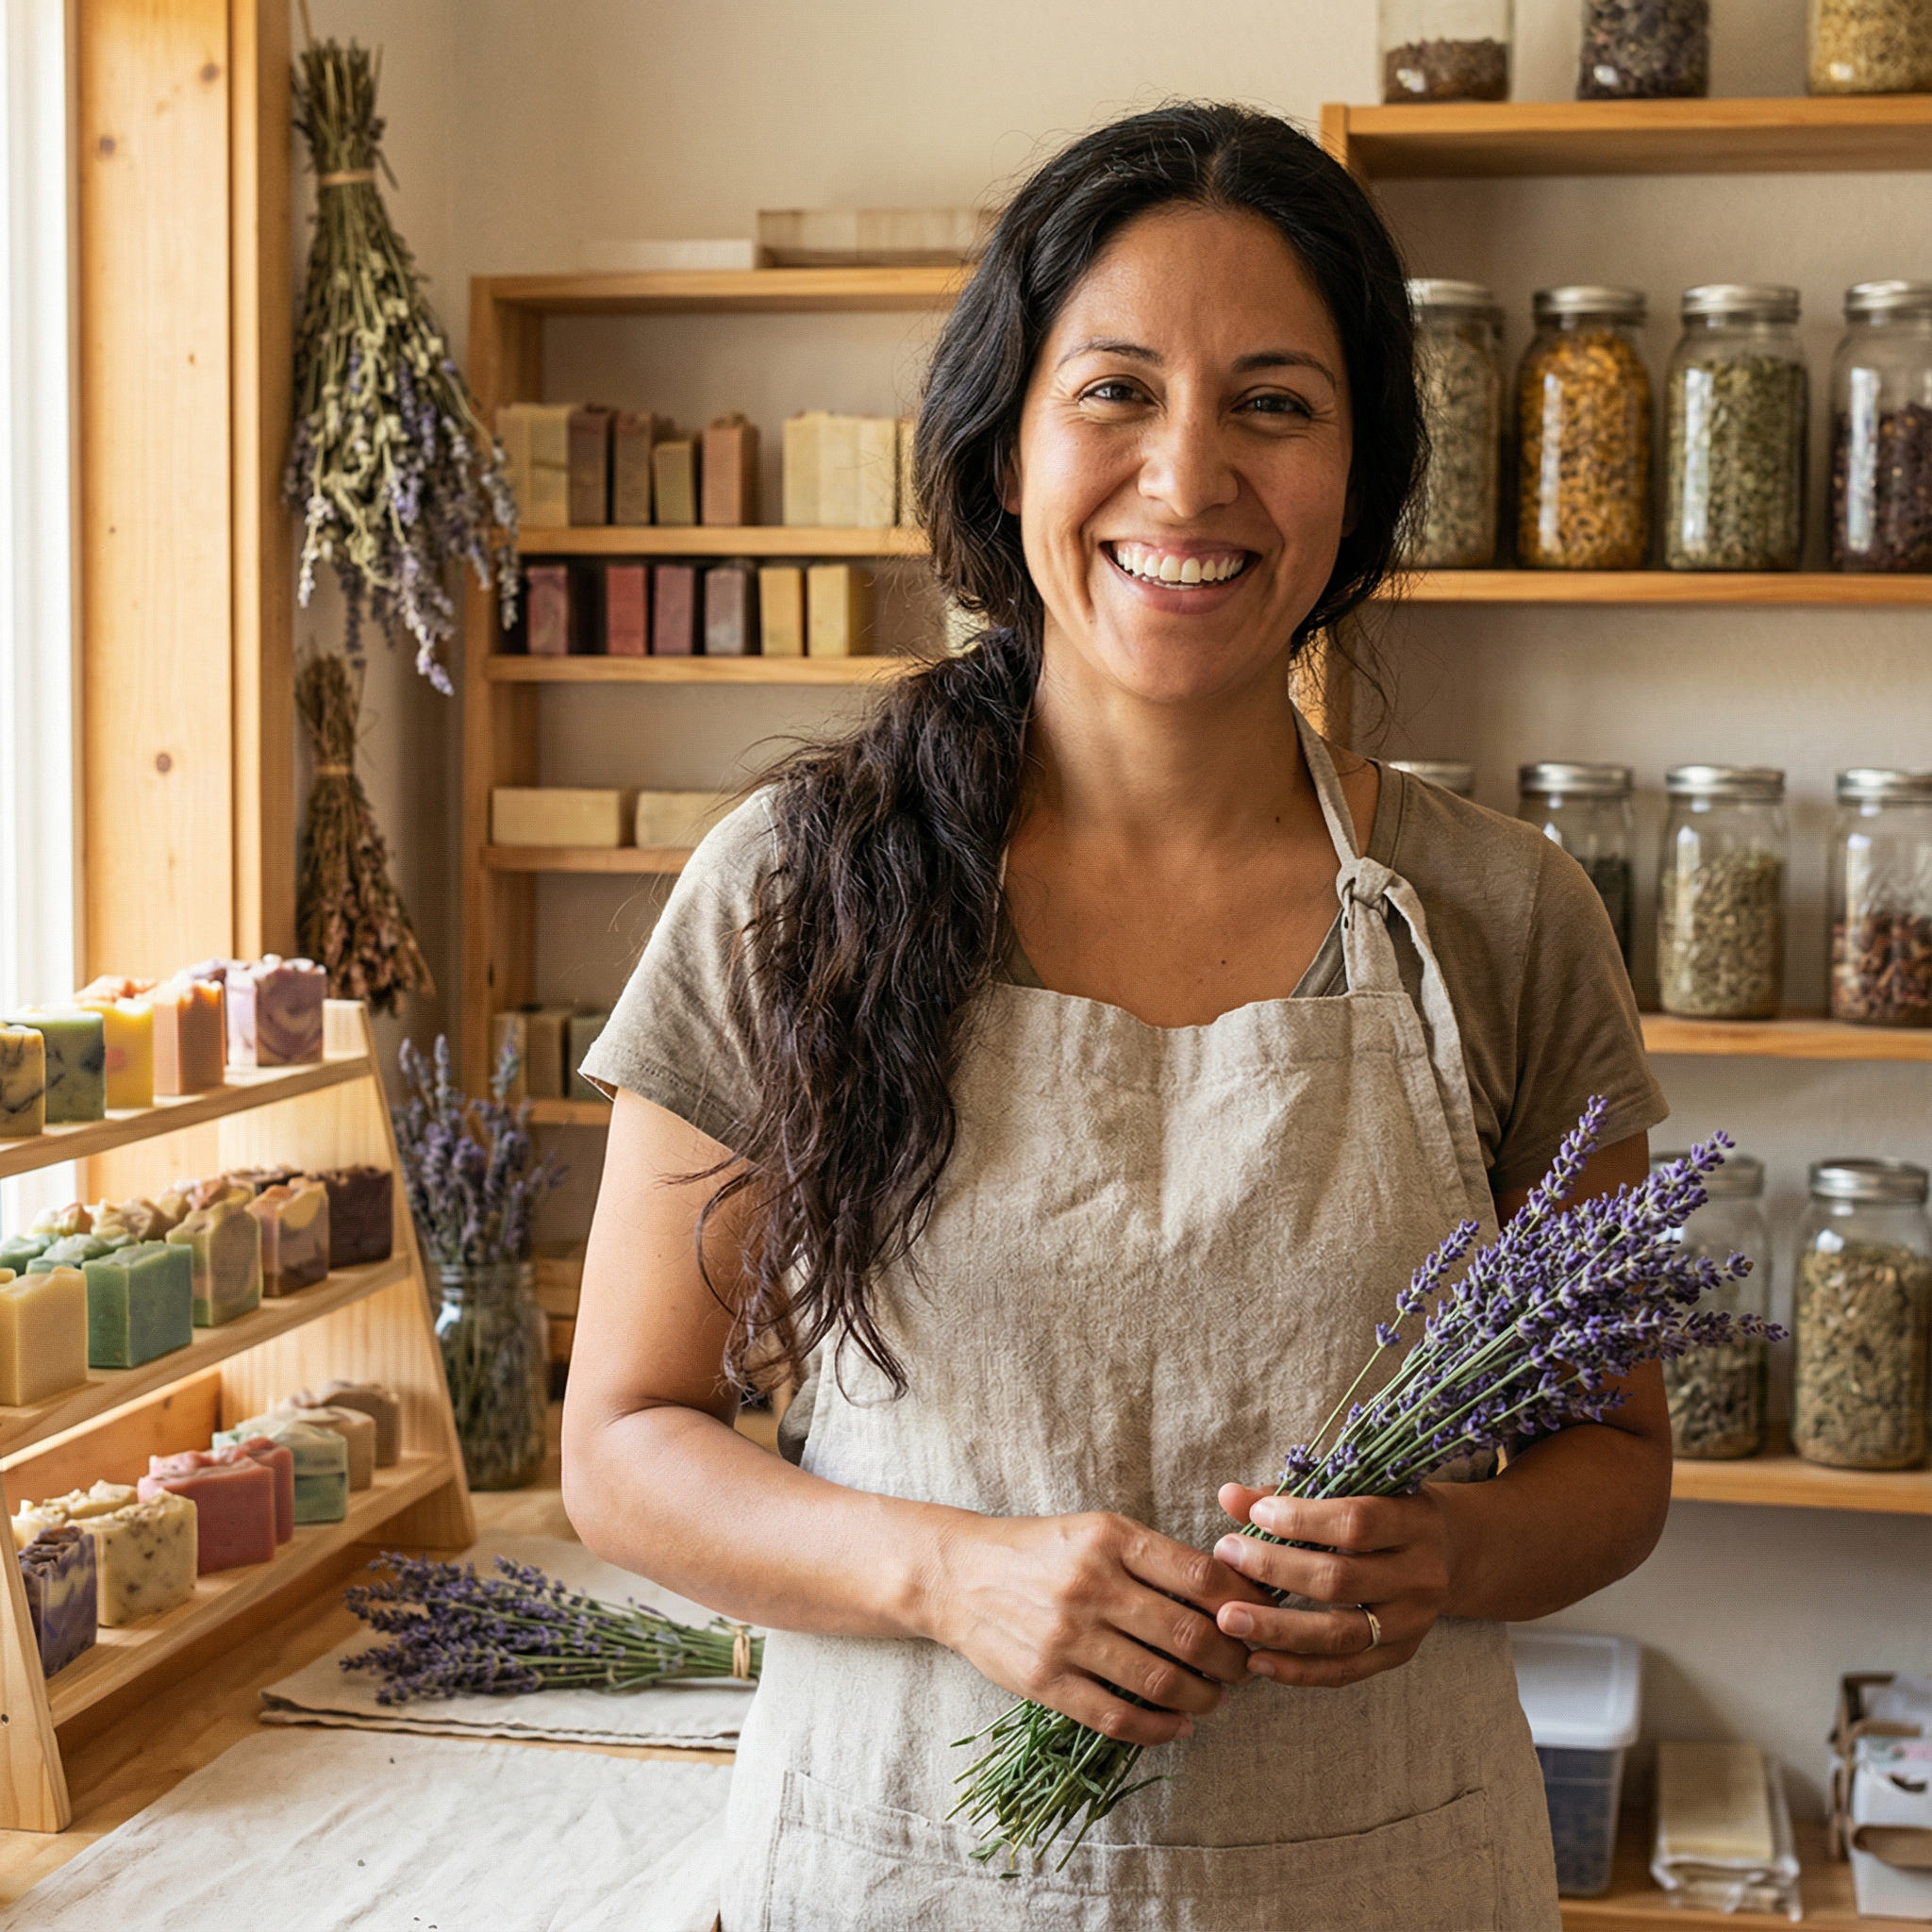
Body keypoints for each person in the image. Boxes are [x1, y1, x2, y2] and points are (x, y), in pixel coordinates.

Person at [565, 101, 1671, 1932]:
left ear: (1361, 476)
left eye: (1271, 402)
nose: (1186, 478)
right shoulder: (794, 885)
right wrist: (945, 1574)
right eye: (1115, 392)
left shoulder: (1503, 914)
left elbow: (1617, 1460)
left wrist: (1451, 1545)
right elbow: (620, 1442)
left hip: (1382, 1876)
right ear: (1002, 445)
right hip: (906, 1870)